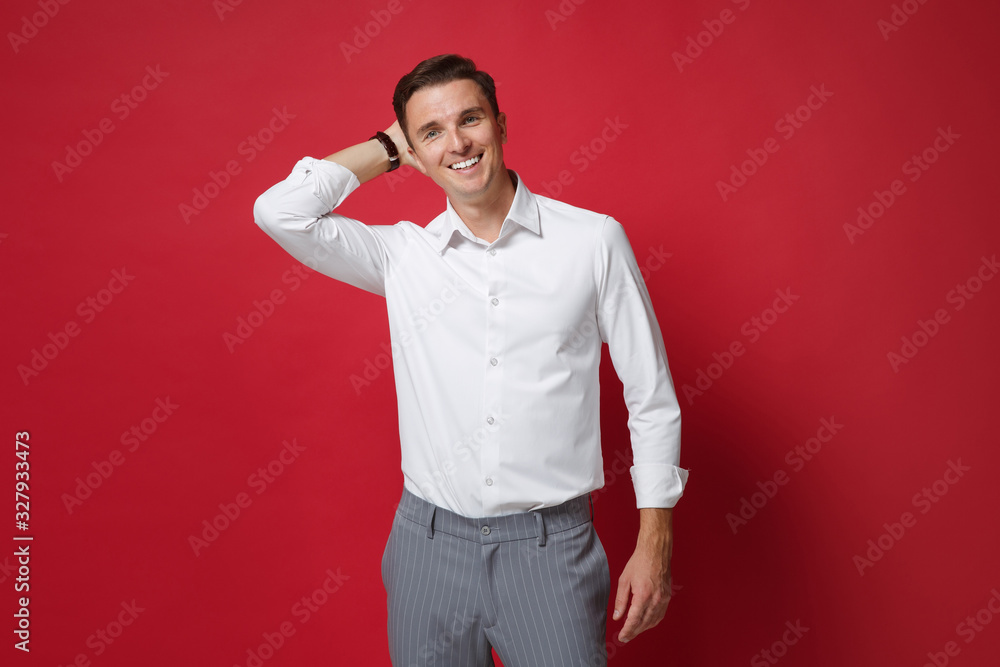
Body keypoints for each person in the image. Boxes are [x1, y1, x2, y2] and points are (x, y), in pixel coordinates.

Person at [253, 54, 687, 667]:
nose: (457, 143)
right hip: (426, 550)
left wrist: (654, 540)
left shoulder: (592, 242)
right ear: (414, 150)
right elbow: (280, 211)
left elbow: (651, 395)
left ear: (500, 125)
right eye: (431, 132)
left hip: (550, 554)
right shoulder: (401, 255)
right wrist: (385, 145)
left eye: (470, 120)